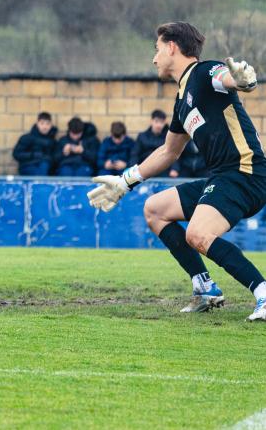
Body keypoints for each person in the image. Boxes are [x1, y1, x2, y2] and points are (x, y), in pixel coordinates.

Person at [88, 21, 266, 321]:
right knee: (155, 209)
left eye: (157, 49)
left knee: (198, 233)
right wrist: (124, 182)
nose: (154, 58)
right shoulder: (182, 100)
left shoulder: (203, 72)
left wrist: (244, 81)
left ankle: (262, 292)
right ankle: (204, 287)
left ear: (172, 47)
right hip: (223, 177)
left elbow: (227, 79)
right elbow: (168, 152)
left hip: (245, 173)